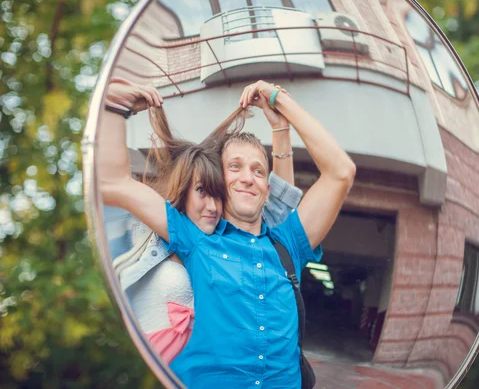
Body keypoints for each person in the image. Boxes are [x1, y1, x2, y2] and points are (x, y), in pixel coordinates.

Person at [100, 79, 356, 388]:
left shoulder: (289, 244)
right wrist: (114, 106)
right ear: (219, 181)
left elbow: (340, 172)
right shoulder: (195, 237)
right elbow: (115, 183)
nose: (248, 178)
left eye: (258, 171)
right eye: (234, 167)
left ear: (267, 189)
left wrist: (278, 100)